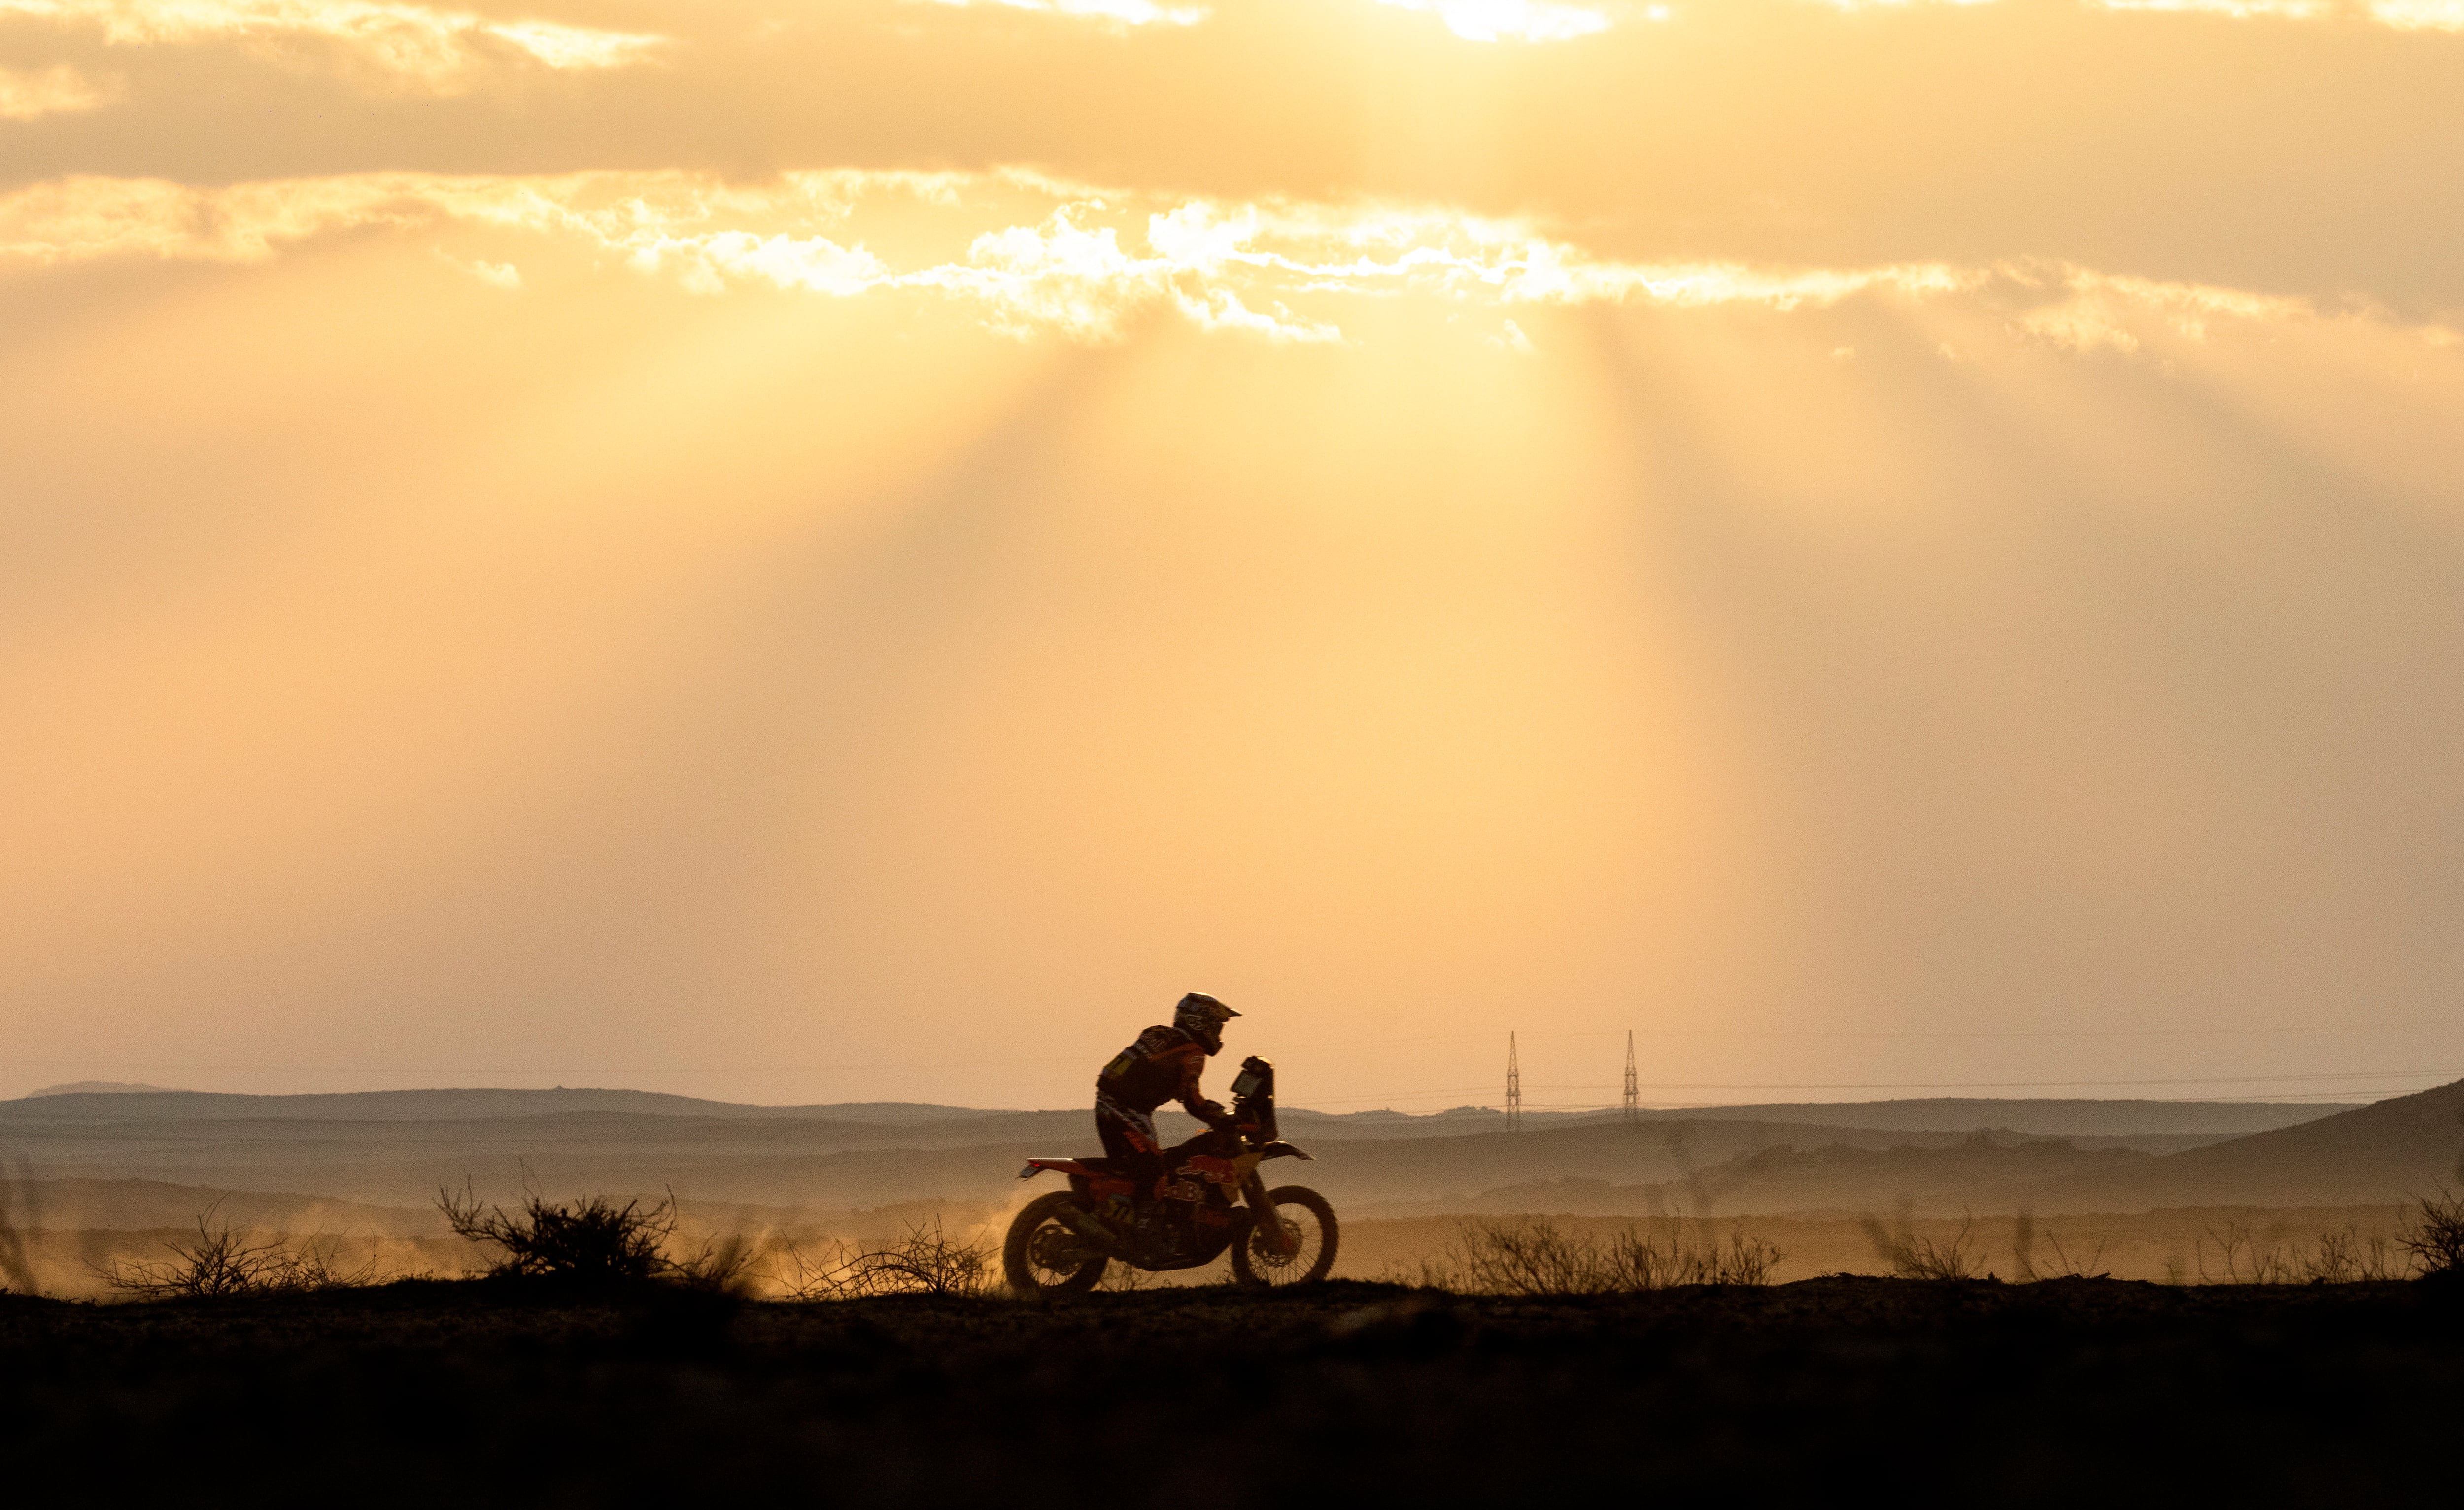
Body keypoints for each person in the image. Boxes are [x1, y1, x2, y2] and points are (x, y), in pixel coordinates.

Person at [1093, 992, 1240, 1222]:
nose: (1218, 1034)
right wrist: (1220, 1118)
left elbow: (1151, 1074)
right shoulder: (1192, 1053)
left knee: (1130, 1173)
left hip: (1105, 1105)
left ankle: (1110, 1220)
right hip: (1128, 1112)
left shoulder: (1156, 1033)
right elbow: (1193, 1102)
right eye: (1217, 1027)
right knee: (1156, 1173)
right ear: (1201, 1023)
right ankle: (1144, 1232)